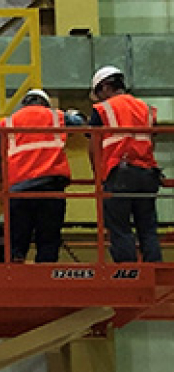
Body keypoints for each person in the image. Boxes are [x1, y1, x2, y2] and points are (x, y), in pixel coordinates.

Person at [0, 89, 75, 263]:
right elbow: (83, 125)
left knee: (17, 242)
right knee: (48, 240)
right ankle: (46, 278)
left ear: (24, 103)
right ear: (45, 104)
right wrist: (74, 114)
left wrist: (5, 175)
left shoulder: (7, 123)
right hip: (50, 189)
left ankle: (15, 275)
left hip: (19, 191)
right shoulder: (56, 117)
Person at [89, 66, 164, 263]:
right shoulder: (145, 108)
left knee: (119, 227)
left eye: (98, 93)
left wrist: (98, 176)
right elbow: (151, 140)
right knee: (147, 227)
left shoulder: (103, 109)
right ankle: (154, 272)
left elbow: (94, 146)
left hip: (119, 173)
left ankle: (128, 275)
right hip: (148, 173)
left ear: (105, 87)